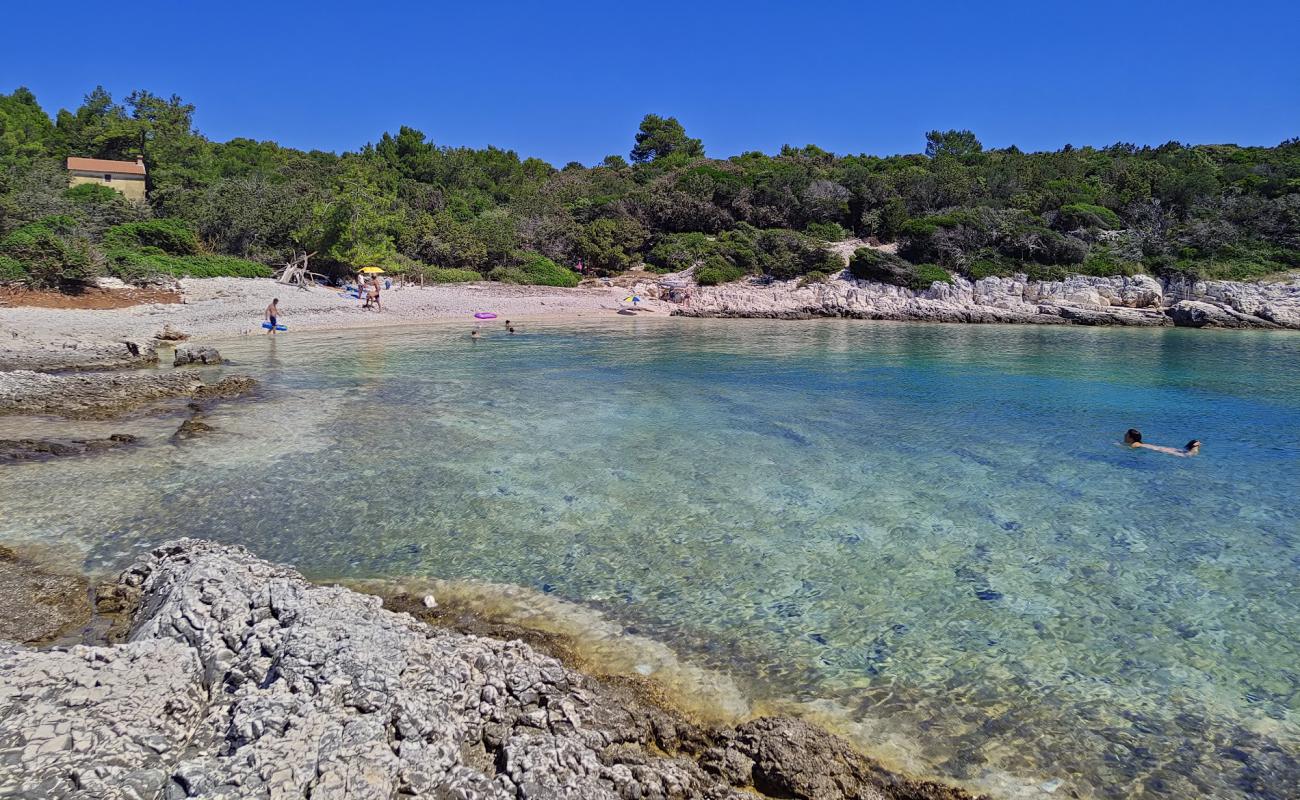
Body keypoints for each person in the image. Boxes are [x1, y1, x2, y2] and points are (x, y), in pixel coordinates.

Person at [1124, 429, 1201, 457]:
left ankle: (1195, 447)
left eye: (1126, 434)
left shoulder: (1135, 444)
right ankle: (1193, 445)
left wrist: (1118, 445)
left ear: (1130, 438)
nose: (1124, 435)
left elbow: (1129, 448)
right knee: (1182, 450)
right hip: (1161, 448)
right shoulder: (1140, 443)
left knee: (1186, 455)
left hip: (1161, 449)